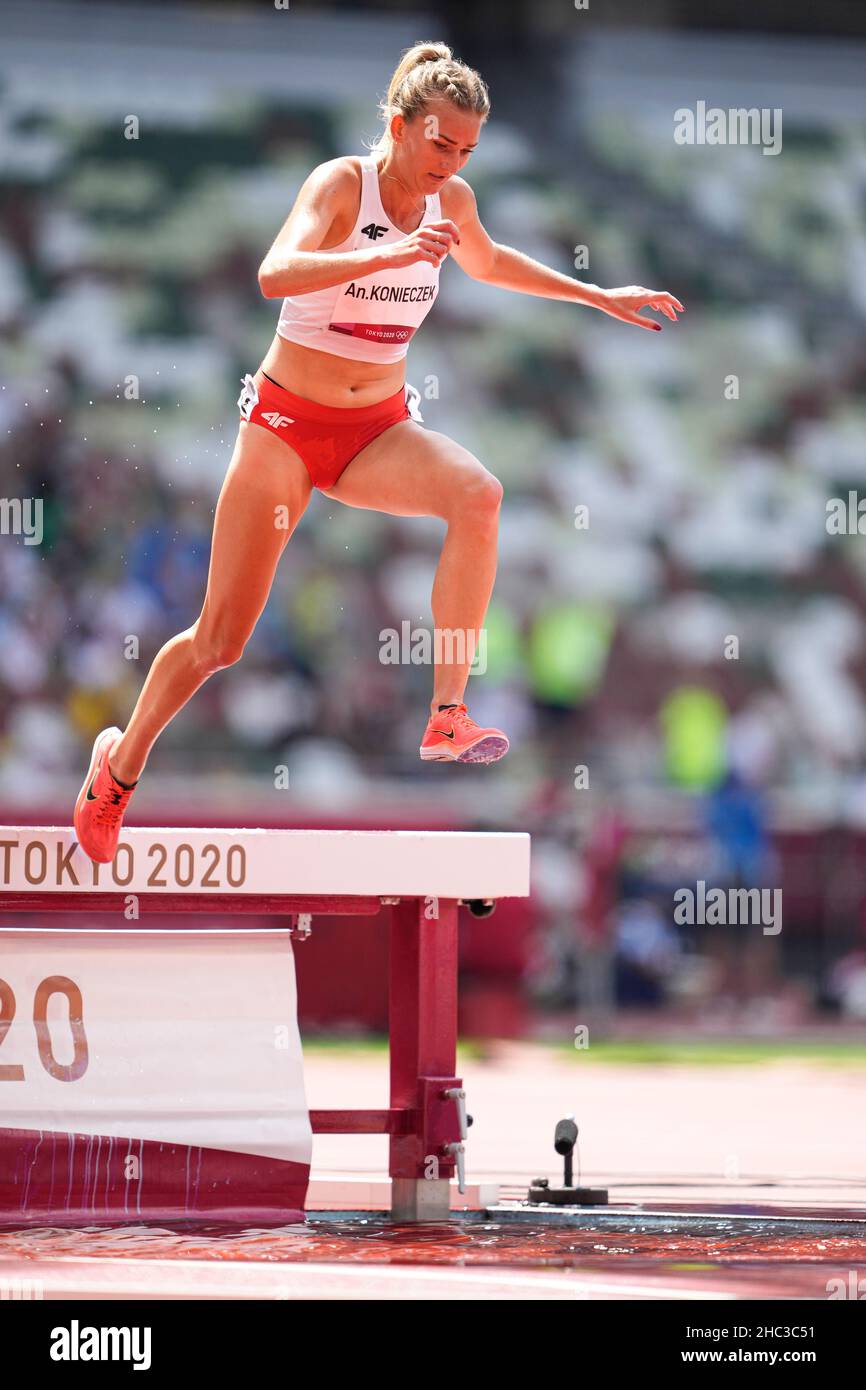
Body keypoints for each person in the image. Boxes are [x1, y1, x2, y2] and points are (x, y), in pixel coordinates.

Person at [74, 39, 683, 864]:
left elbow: (491, 261)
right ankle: (120, 764)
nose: (450, 164)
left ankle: (446, 713)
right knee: (222, 640)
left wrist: (596, 295)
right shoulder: (339, 185)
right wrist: (384, 252)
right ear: (400, 125)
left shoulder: (453, 200)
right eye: (440, 143)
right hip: (285, 425)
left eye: (466, 151)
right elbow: (275, 272)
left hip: (377, 430)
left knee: (480, 494)